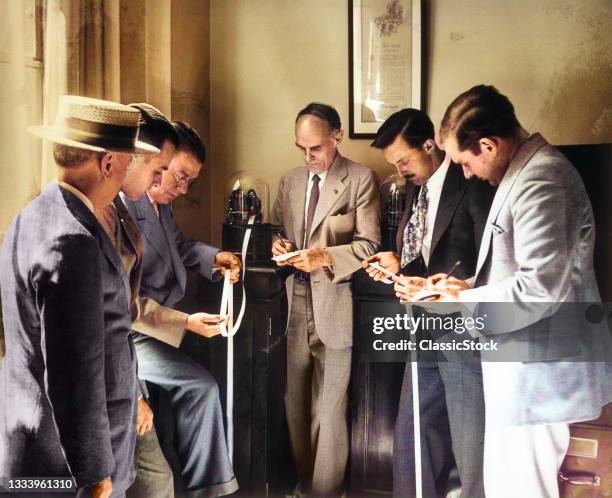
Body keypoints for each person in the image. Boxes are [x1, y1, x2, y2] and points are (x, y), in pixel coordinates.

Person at [432, 84, 612, 498]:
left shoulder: (542, 178)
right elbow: (524, 270)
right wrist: (468, 287)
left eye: (464, 161)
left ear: (488, 145)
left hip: (539, 377)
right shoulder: (525, 172)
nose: (465, 173)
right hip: (524, 370)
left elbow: (541, 287)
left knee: (521, 489)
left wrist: (463, 302)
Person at [0, 95, 159, 498]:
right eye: (126, 162)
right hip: (67, 459)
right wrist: (95, 474)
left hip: (30, 437)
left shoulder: (30, 216)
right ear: (107, 163)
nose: (126, 173)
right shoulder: (75, 240)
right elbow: (74, 374)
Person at [362, 108, 494, 498]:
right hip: (423, 323)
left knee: (471, 439)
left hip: (463, 326)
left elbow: (494, 259)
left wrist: (459, 292)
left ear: (429, 145)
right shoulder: (416, 190)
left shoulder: (472, 181)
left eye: (403, 160)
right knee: (412, 431)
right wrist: (397, 263)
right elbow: (426, 252)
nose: (400, 170)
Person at [123, 119, 240, 498]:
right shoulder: (126, 206)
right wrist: (186, 322)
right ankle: (213, 489)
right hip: (136, 335)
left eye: (190, 181)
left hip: (162, 328)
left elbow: (179, 246)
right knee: (203, 387)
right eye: (178, 175)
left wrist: (217, 257)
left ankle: (203, 483)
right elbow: (124, 307)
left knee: (195, 393)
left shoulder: (160, 205)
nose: (182, 187)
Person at [271, 102, 380, 497]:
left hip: (335, 304)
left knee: (328, 410)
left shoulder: (361, 180)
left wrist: (325, 257)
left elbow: (369, 245)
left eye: (315, 147)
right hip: (294, 305)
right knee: (294, 405)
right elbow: (275, 231)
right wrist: (277, 244)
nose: (308, 156)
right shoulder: (290, 181)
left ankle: (325, 492)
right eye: (301, 148)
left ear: (337, 135)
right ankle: (305, 485)